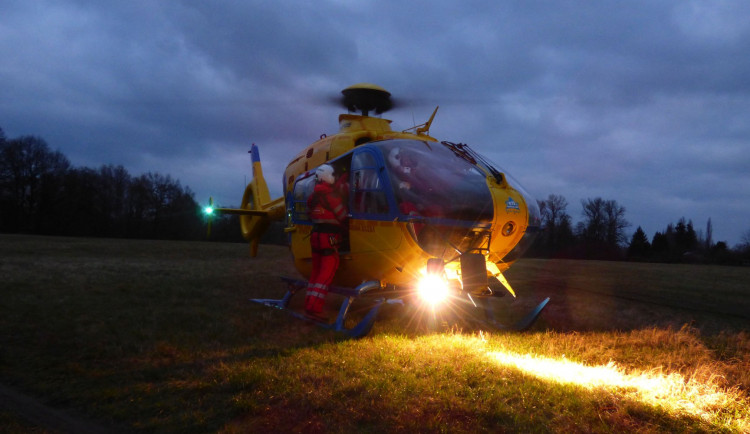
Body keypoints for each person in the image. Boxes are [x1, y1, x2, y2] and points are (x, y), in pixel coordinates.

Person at [304, 164, 348, 318]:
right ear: (327, 177)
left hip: (315, 236)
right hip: (329, 238)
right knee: (326, 273)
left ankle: (308, 303)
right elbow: (342, 216)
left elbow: (309, 214)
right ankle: (314, 308)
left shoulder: (312, 197)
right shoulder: (332, 197)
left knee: (315, 272)